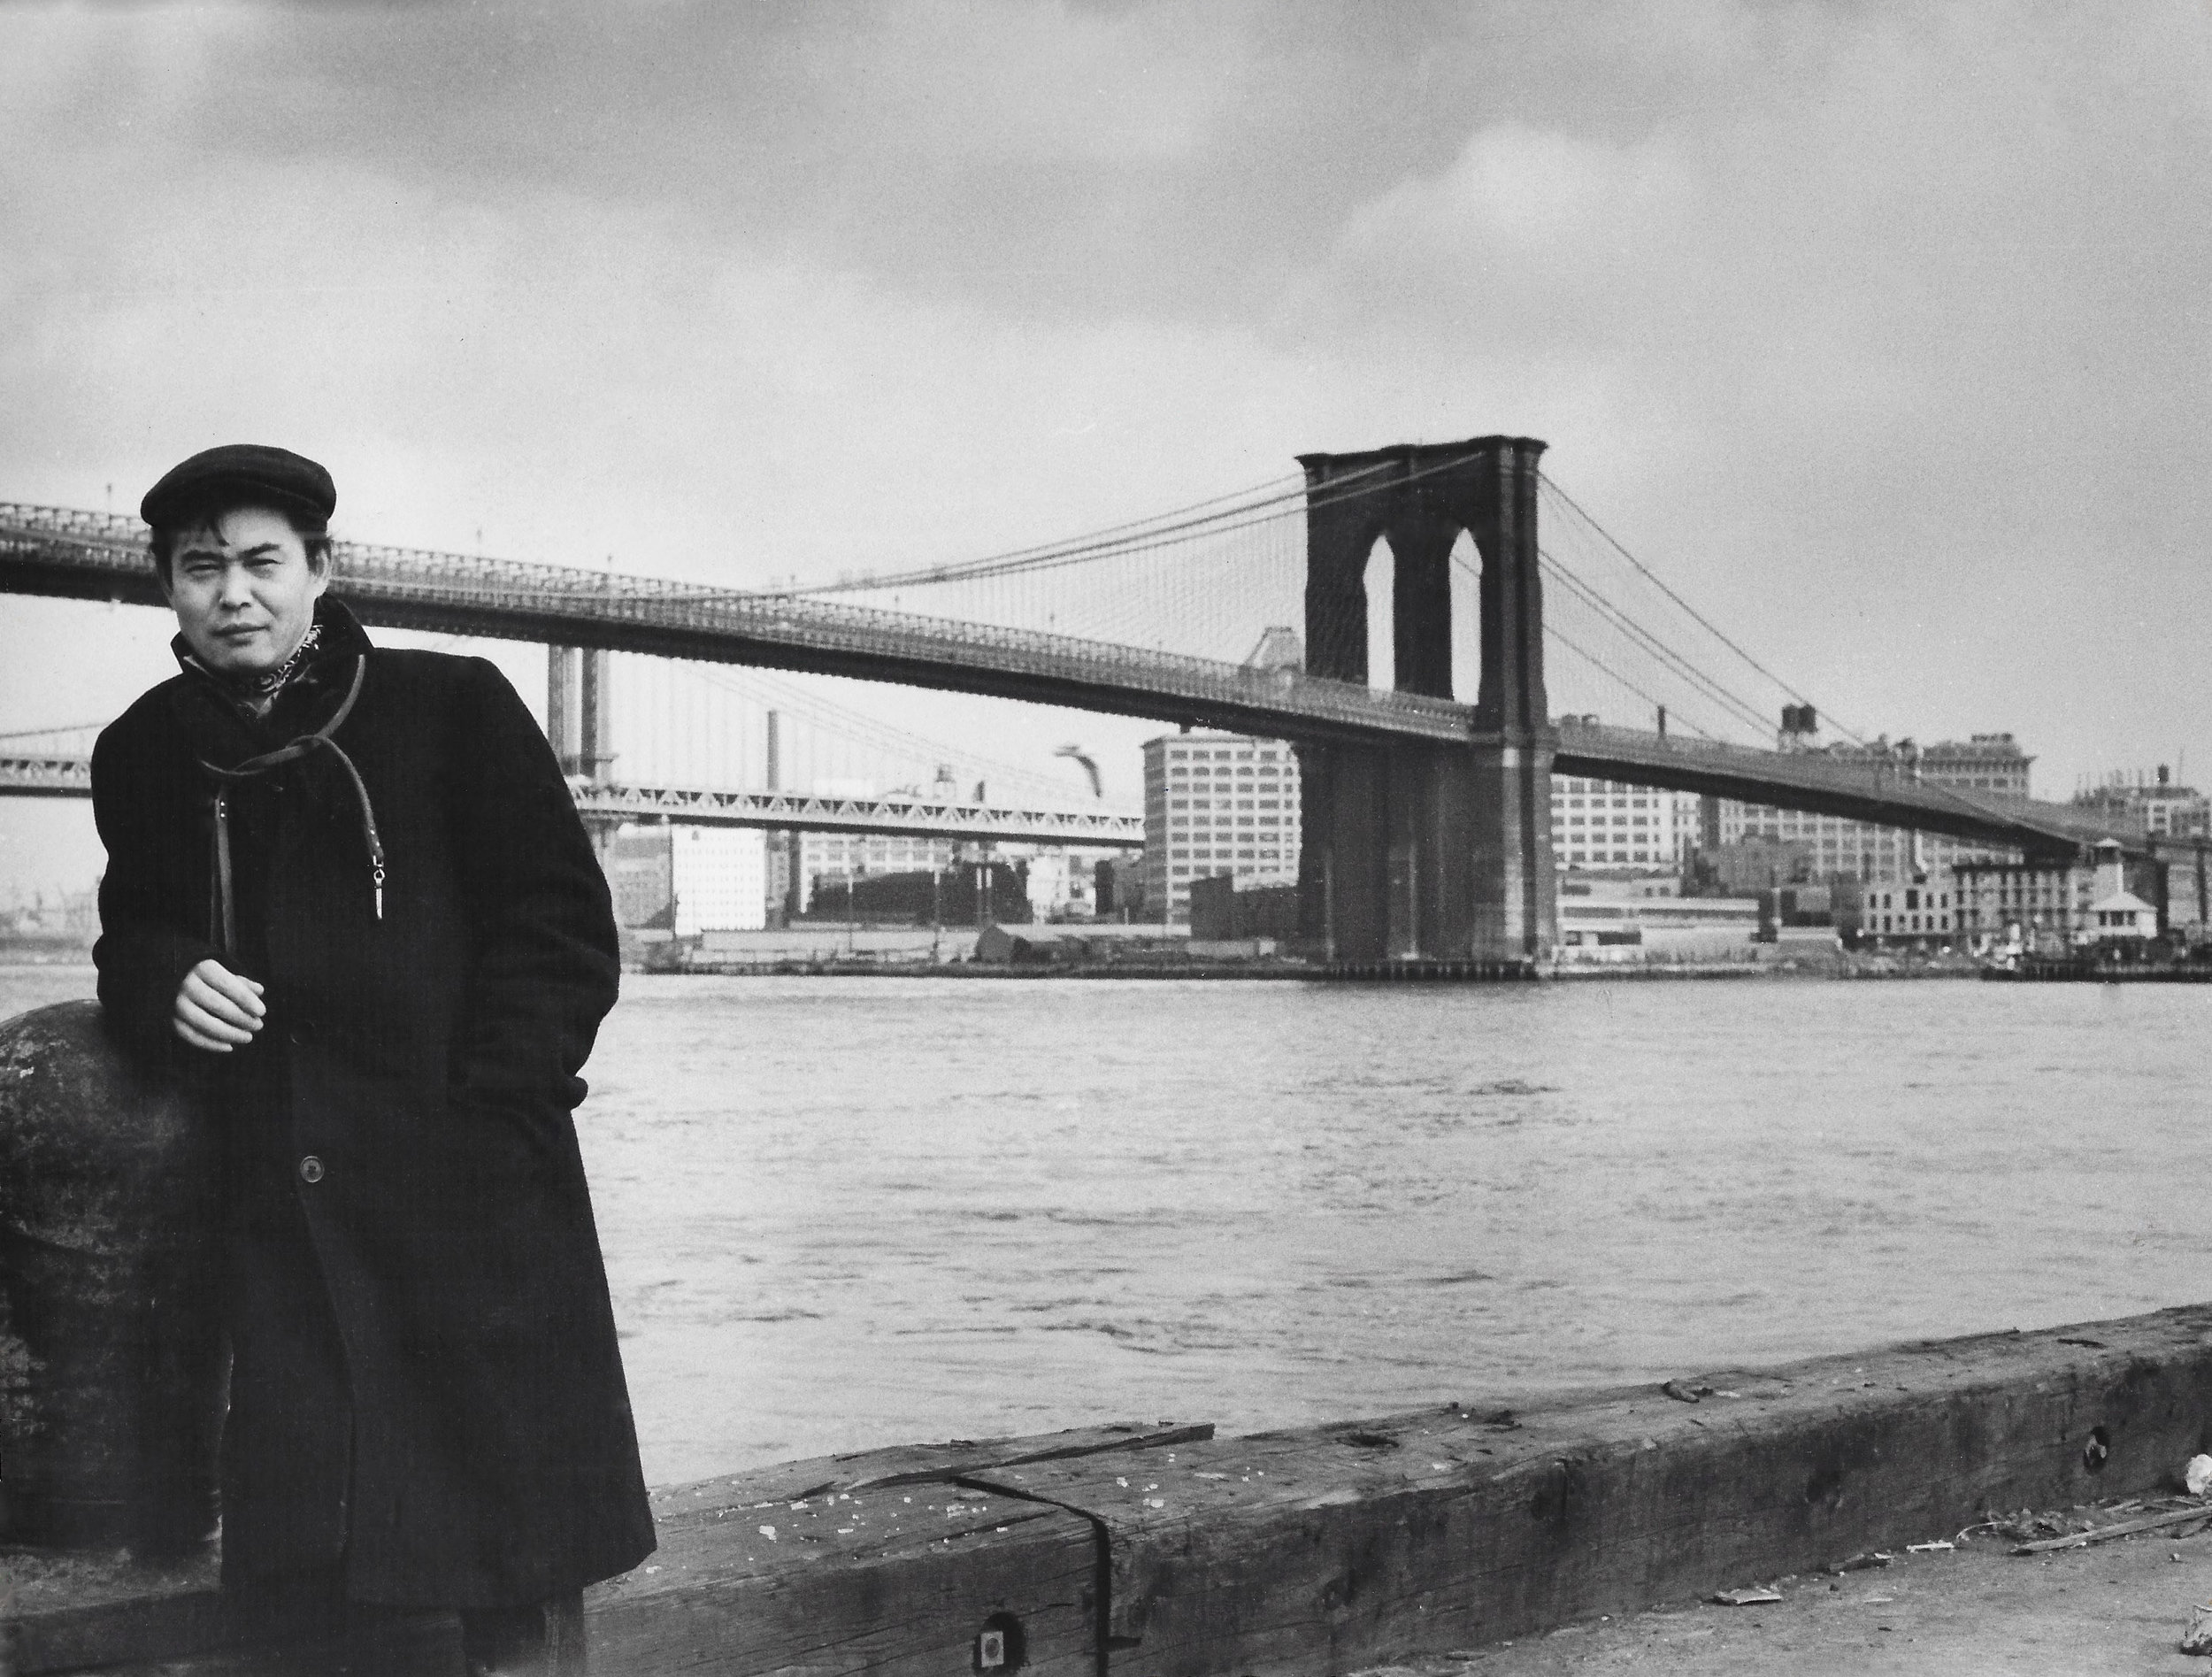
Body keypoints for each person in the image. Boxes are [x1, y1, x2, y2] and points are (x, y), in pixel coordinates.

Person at [91, 444, 654, 1675]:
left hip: (469, 1218)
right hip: (280, 1237)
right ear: (166, 591)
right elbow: (130, 927)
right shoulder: (140, 752)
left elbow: (559, 930)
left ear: (319, 572)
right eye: (200, 569)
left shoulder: (451, 706)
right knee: (306, 1591)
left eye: (261, 563)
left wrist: (494, 1122)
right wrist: (158, 975)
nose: (233, 593)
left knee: (514, 1566)